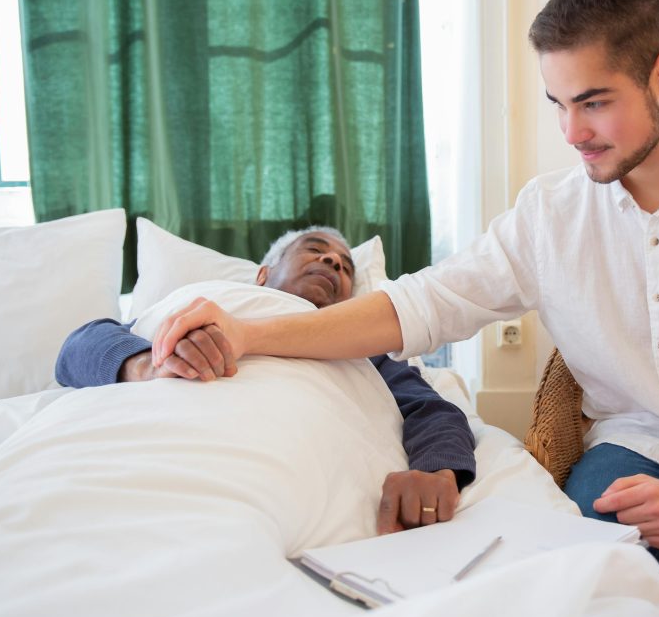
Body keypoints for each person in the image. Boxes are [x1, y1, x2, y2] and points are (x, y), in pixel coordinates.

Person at [149, 0, 659, 617]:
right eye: (556, 103)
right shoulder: (550, 215)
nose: (571, 132)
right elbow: (420, 305)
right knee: (560, 604)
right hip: (636, 447)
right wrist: (252, 332)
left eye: (594, 102)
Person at [54, 226, 476, 536]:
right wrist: (146, 364)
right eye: (315, 250)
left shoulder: (365, 349)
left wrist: (437, 471)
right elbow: (77, 349)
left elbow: (431, 409)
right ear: (261, 275)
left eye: (346, 266)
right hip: (151, 441)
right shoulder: (204, 301)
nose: (332, 262)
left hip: (281, 467)